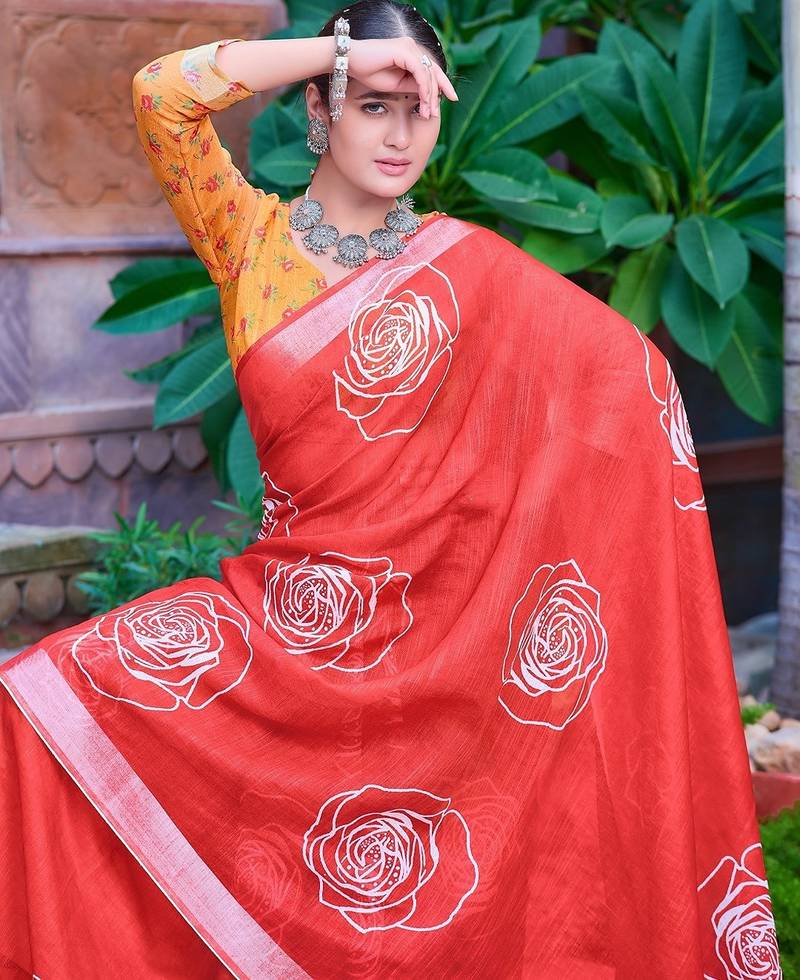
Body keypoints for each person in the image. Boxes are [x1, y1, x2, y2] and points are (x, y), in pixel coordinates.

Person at [0, 1, 783, 977]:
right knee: (35, 700)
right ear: (321, 116)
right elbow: (162, 96)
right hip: (284, 633)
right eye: (374, 102)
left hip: (434, 641)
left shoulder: (471, 270)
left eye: (419, 109)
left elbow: (628, 388)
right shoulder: (251, 243)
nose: (401, 133)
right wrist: (343, 49)